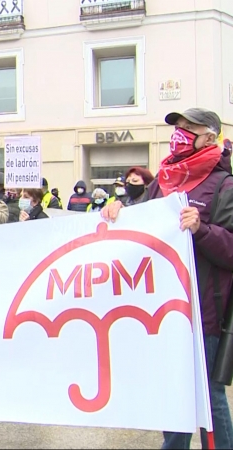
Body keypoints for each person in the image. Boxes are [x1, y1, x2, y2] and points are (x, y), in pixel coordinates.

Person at [102, 108, 233, 450]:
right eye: (179, 127)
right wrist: (119, 213)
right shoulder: (164, 180)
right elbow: (142, 226)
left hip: (204, 307)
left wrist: (201, 229)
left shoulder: (224, 183)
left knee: (207, 393)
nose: (180, 132)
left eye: (189, 127)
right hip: (164, 305)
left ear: (210, 136)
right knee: (173, 389)